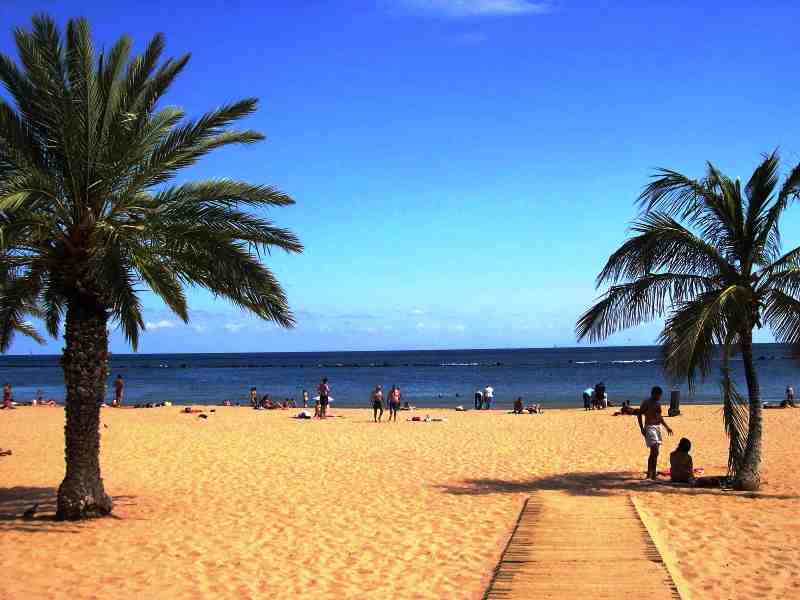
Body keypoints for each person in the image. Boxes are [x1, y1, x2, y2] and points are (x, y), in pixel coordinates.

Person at [636, 386, 674, 480]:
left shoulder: (658, 404)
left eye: (660, 396)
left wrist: (667, 427)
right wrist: (642, 428)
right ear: (654, 394)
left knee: (656, 453)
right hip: (650, 427)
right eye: (658, 395)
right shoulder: (646, 403)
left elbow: (659, 417)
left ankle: (653, 473)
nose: (659, 397)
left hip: (658, 428)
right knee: (654, 450)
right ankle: (649, 473)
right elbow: (639, 414)